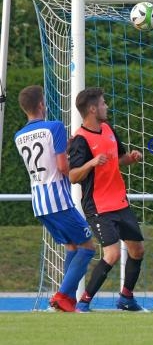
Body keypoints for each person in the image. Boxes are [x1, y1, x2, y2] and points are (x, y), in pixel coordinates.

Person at [14, 85, 96, 313]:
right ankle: (61, 297)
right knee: (88, 247)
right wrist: (84, 167)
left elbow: (45, 158)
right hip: (58, 200)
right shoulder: (55, 126)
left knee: (72, 247)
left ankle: (64, 301)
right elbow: (61, 167)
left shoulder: (19, 136)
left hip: (39, 203)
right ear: (41, 104)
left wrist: (64, 147)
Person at [68, 87, 145, 312]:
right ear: (92, 109)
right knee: (112, 254)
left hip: (119, 201)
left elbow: (118, 159)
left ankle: (126, 298)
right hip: (98, 206)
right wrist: (91, 163)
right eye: (103, 103)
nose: (106, 106)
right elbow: (73, 176)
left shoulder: (109, 129)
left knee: (137, 250)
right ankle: (84, 302)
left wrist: (131, 158)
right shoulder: (80, 140)